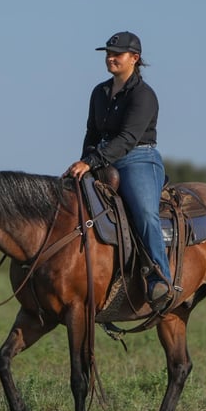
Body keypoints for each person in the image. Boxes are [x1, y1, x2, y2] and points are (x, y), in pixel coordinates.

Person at [65, 31, 172, 311]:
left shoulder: (144, 96)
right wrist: (83, 162)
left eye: (117, 54)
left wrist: (92, 161)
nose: (111, 58)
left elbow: (127, 139)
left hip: (138, 159)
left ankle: (159, 278)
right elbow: (91, 132)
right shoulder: (99, 92)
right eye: (108, 54)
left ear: (134, 58)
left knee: (145, 212)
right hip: (101, 158)